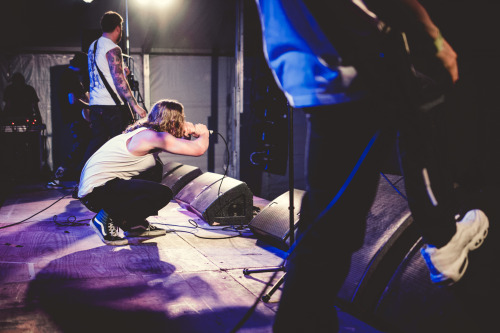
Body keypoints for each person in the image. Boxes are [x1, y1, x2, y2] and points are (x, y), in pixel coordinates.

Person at [252, 0, 489, 332]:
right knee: (330, 234)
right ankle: (444, 238)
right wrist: (430, 37)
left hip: (309, 72)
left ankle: (442, 236)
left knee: (329, 230)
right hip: (353, 62)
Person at [78, 99, 210, 246]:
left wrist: (187, 130)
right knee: (162, 193)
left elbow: (178, 142)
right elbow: (198, 149)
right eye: (181, 120)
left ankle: (134, 224)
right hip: (97, 194)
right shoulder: (151, 137)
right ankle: (104, 218)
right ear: (173, 122)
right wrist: (204, 133)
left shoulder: (146, 134)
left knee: (155, 169)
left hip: (101, 190)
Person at [80, 11, 147, 181]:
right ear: (118, 28)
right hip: (112, 105)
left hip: (96, 103)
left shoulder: (93, 46)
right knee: (121, 143)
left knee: (97, 142)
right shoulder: (113, 48)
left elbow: (102, 71)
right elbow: (119, 82)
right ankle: (122, 180)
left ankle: (83, 179)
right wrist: (135, 106)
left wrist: (121, 70)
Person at [46, 52, 92, 189]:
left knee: (81, 147)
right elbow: (72, 100)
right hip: (75, 118)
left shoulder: (69, 75)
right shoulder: (70, 76)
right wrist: (91, 106)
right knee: (79, 147)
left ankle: (68, 177)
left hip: (75, 118)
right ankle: (58, 177)